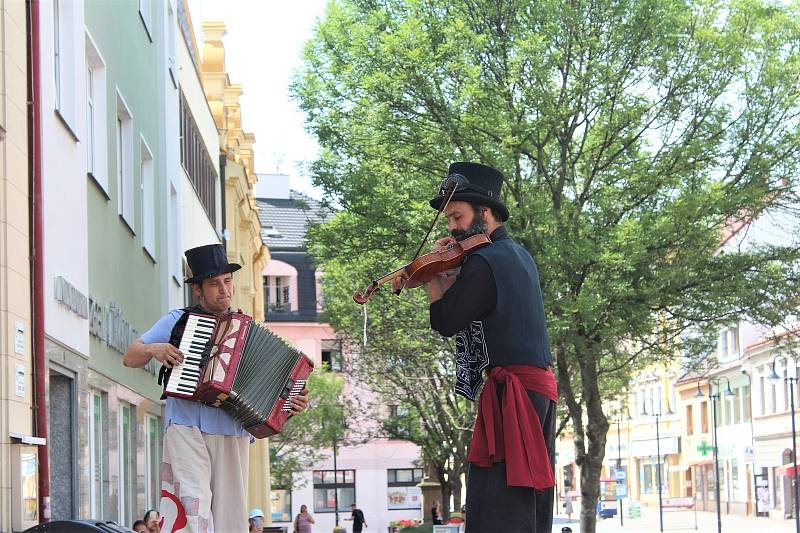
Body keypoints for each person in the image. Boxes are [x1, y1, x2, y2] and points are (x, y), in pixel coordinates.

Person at [393, 162, 557, 533]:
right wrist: (443, 270)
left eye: (457, 216)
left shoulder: (485, 261)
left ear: (484, 213)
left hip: (514, 393)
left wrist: (432, 274)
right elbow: (473, 309)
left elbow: (446, 321)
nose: (452, 226)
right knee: (525, 493)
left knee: (499, 499)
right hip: (537, 390)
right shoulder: (518, 255)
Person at [124, 244, 309, 533]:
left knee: (230, 520)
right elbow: (130, 356)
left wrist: (291, 405)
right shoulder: (178, 320)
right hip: (186, 426)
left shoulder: (246, 329)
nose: (224, 289)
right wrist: (154, 349)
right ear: (197, 289)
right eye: (214, 284)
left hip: (232, 430)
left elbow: (274, 393)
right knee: (192, 513)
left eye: (227, 281)